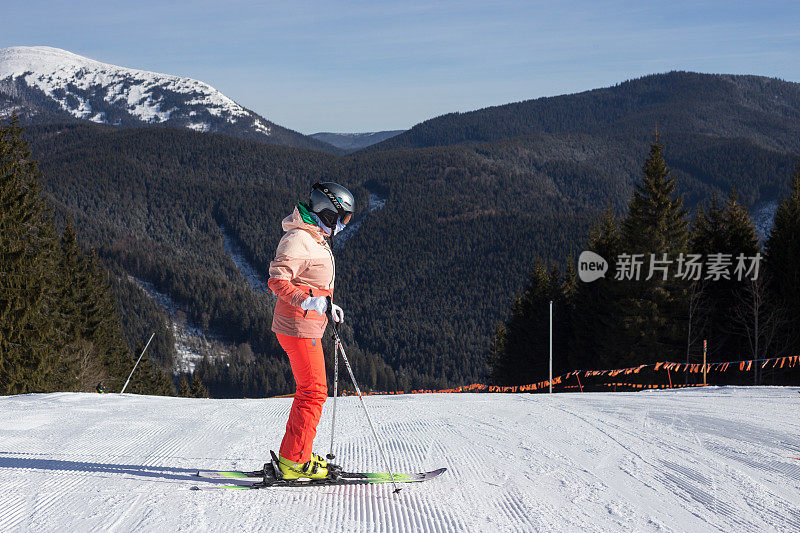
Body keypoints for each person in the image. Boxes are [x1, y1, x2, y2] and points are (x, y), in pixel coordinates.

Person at [266, 182, 355, 480]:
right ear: (327, 212)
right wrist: (313, 302)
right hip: (297, 325)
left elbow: (310, 279)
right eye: (342, 219)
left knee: (310, 391)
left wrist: (326, 304)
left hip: (308, 322)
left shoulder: (314, 235)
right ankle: (295, 461)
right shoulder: (298, 239)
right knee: (314, 392)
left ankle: (295, 454)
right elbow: (277, 282)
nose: (343, 226)